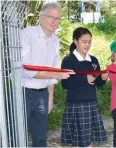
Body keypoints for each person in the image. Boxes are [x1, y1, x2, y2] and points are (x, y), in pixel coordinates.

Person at [21, 2, 74, 147]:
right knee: (19, 135)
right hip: (23, 92)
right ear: (40, 17)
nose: (54, 22)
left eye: (58, 19)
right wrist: (57, 75)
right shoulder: (26, 34)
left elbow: (54, 69)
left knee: (40, 137)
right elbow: (27, 71)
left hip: (43, 94)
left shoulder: (55, 40)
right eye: (51, 17)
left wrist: (50, 97)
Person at [60, 27, 108, 147]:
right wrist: (84, 79)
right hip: (75, 105)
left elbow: (97, 83)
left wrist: (102, 79)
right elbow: (65, 84)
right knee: (77, 143)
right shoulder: (68, 60)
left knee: (89, 143)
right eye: (84, 42)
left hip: (91, 103)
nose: (87, 45)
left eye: (89, 42)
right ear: (76, 41)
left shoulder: (93, 60)